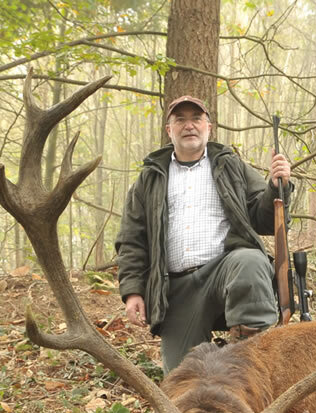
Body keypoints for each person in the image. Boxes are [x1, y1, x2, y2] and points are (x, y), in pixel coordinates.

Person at [115, 95, 292, 373]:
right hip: (175, 290)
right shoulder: (149, 180)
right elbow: (132, 239)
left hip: (224, 271)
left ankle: (249, 356)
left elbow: (265, 220)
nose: (189, 126)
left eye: (196, 119)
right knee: (181, 382)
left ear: (208, 127)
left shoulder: (232, 166)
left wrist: (276, 187)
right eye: (180, 120)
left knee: (250, 261)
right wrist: (133, 291)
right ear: (169, 130)